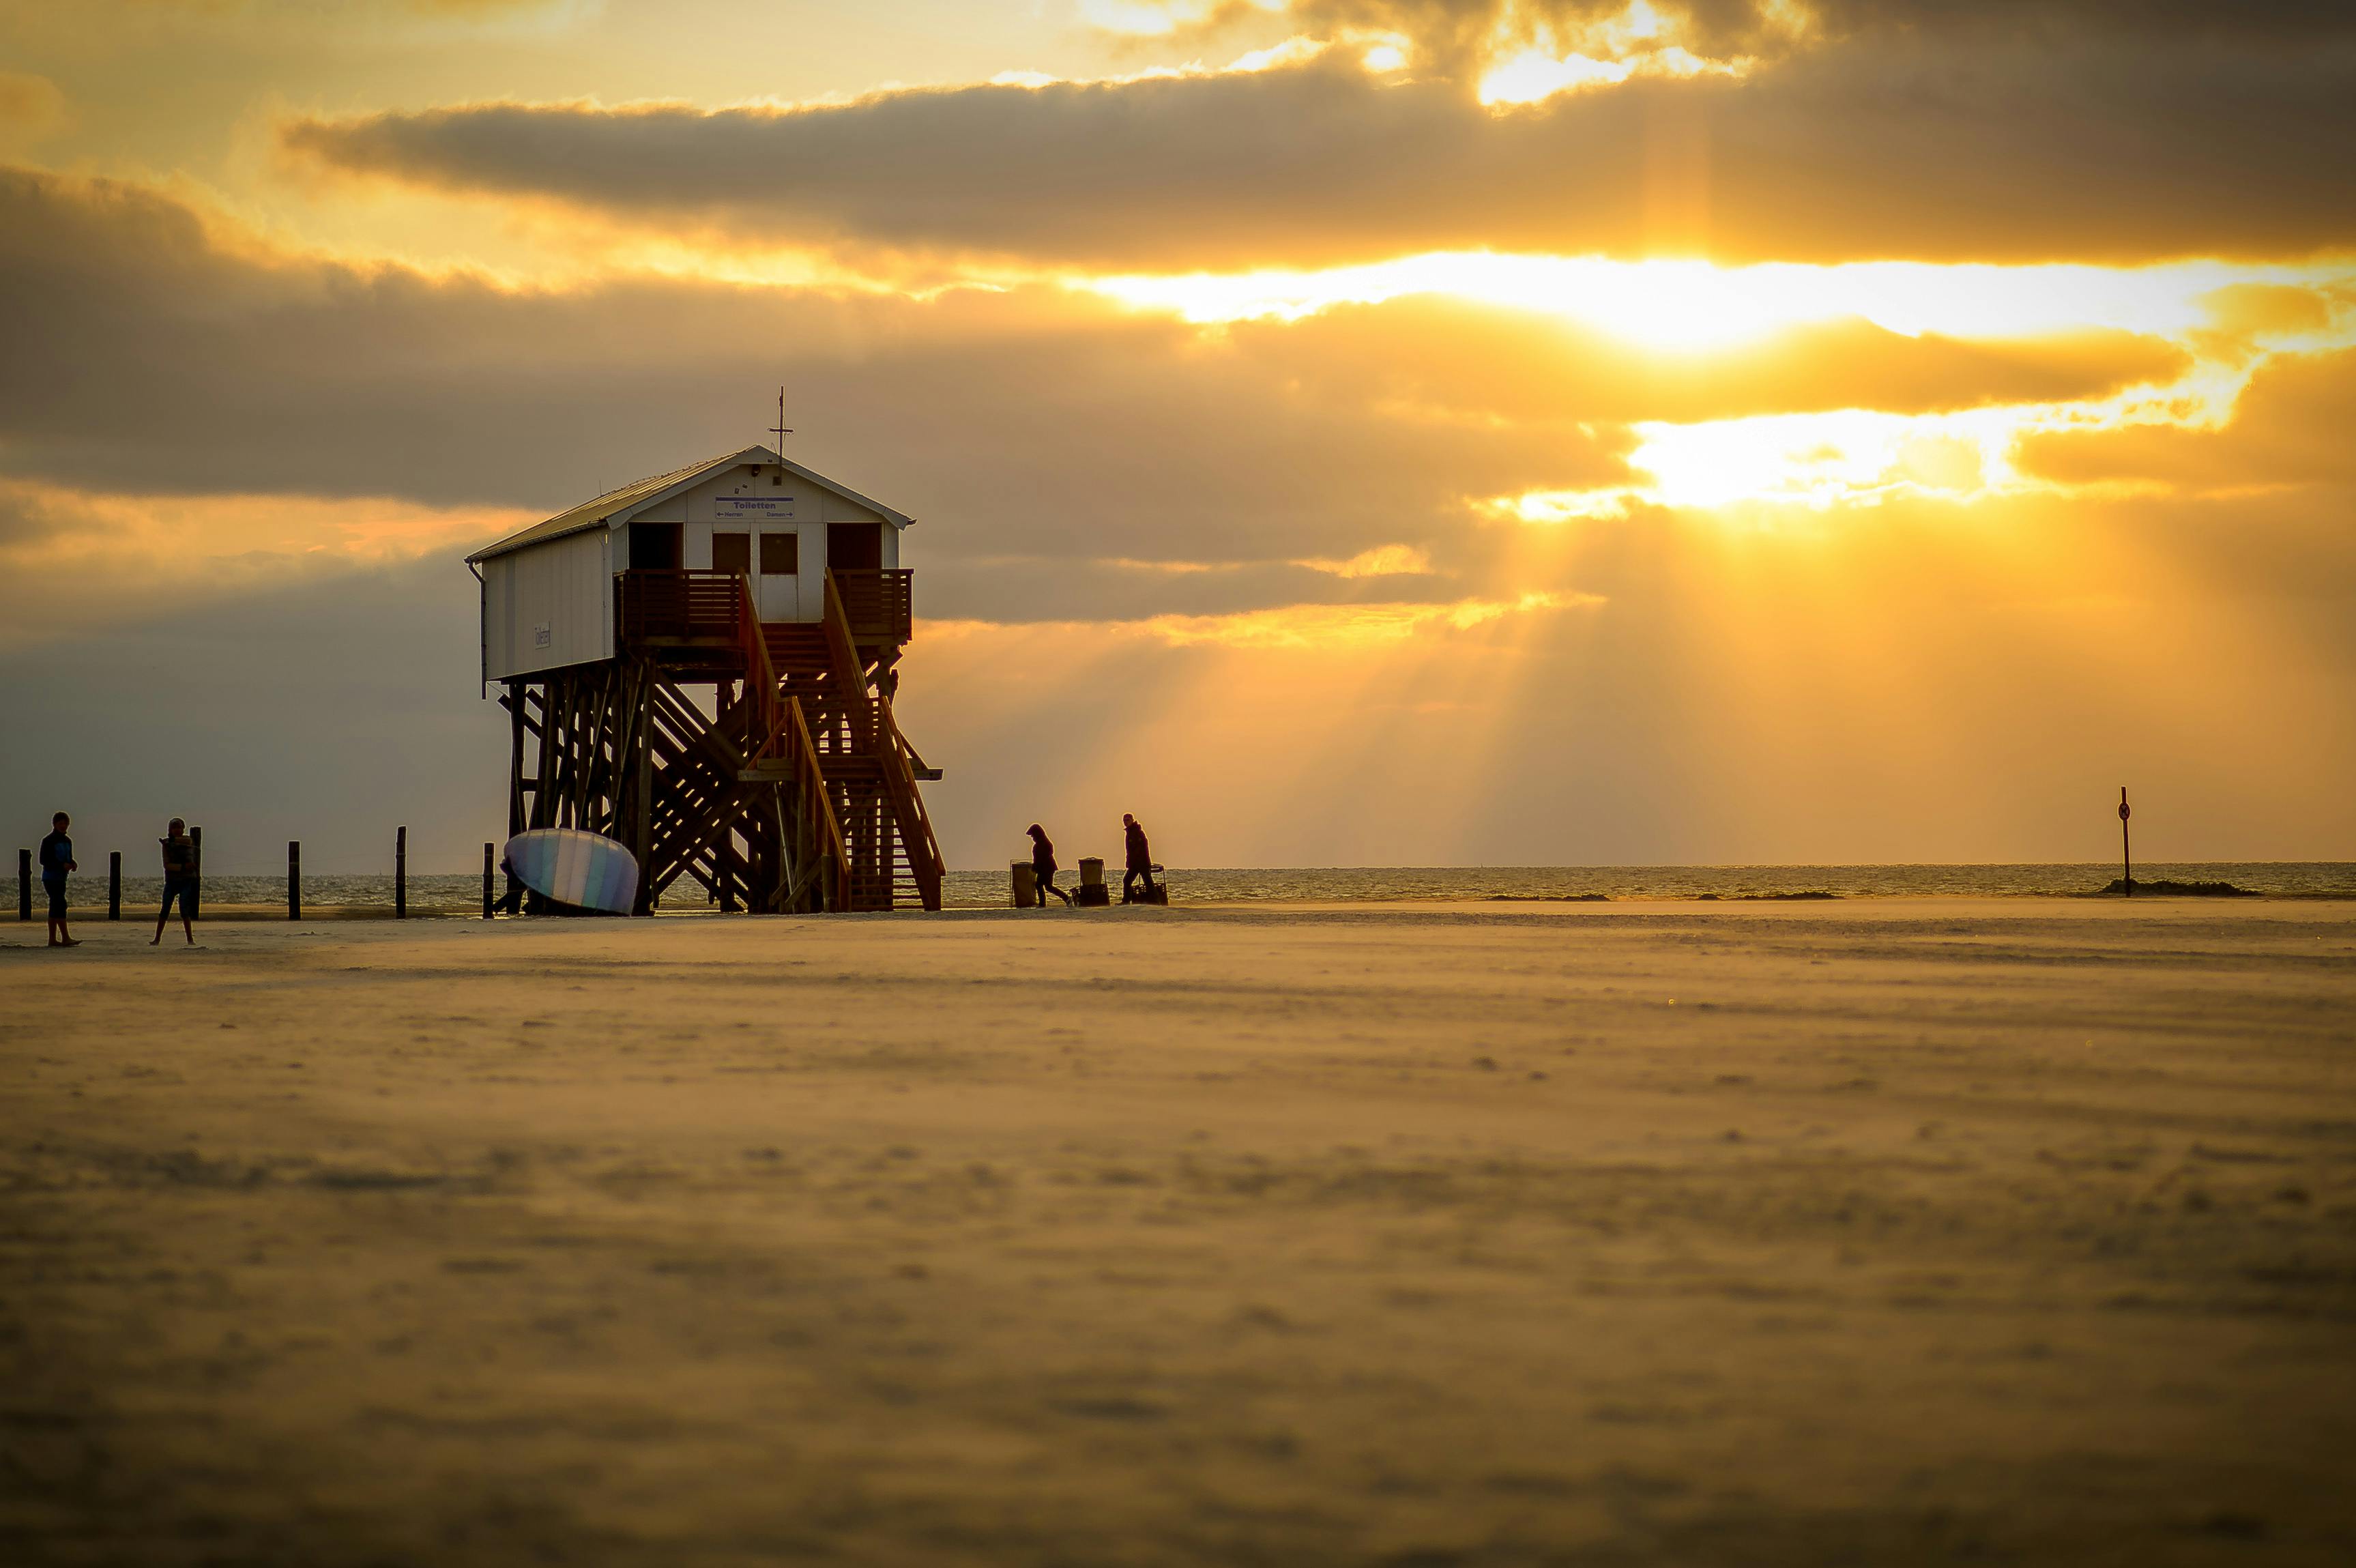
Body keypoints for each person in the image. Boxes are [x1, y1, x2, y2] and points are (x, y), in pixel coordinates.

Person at [152, 818, 197, 946]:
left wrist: (169, 841)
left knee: (184, 909)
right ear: (170, 830)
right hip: (172, 881)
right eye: (174, 828)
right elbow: (167, 865)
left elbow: (188, 841)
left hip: (186, 881)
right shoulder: (166, 846)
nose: (177, 830)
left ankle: (190, 939)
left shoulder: (186, 840)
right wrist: (183, 867)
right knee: (165, 909)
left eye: (179, 827)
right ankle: (157, 939)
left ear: (183, 829)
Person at [39, 811, 77, 948]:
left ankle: (53, 940)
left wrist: (72, 863)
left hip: (62, 878)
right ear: (54, 824)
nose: (63, 826)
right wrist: (61, 865)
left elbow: (68, 857)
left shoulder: (68, 841)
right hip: (50, 878)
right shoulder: (48, 840)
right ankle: (65, 937)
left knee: (56, 906)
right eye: (60, 824)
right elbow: (43, 860)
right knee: (60, 904)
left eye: (65, 824)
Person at [1026, 823, 1072, 908]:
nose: (1033, 838)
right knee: (1042, 886)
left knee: (1045, 886)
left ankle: (1065, 899)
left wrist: (1036, 866)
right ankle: (1045, 903)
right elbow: (1037, 859)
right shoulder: (1040, 844)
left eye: (1033, 836)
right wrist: (1036, 866)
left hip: (1047, 869)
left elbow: (1045, 856)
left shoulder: (1044, 843)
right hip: (1044, 869)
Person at [1121, 813, 1157, 904]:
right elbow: (1130, 850)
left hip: (1142, 862)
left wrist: (1138, 860)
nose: (1125, 822)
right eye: (1124, 820)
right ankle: (1126, 901)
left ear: (1132, 820)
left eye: (1128, 820)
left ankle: (1155, 901)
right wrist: (1129, 861)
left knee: (1148, 882)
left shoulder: (1138, 832)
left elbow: (1142, 847)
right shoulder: (1129, 832)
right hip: (1134, 864)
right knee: (1127, 880)